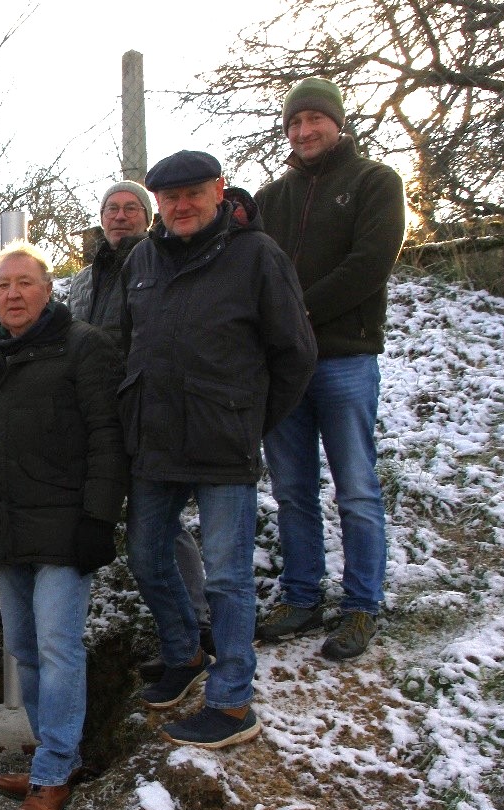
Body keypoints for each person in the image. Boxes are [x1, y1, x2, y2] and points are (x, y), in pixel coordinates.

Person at [120, 151, 315, 749]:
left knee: (229, 578)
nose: (181, 206)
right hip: (155, 441)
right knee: (148, 555)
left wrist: (248, 419)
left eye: (193, 194)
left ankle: (233, 705)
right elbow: (130, 341)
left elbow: (295, 353)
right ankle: (184, 655)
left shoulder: (256, 256)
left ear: (218, 192)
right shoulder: (143, 259)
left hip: (222, 444)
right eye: (169, 198)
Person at [0, 241, 128, 810]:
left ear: (48, 290)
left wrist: (99, 518)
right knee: (24, 647)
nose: (14, 294)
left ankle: (51, 774)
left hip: (67, 528)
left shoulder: (85, 347)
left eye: (26, 283)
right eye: (4, 286)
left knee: (57, 646)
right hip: (8, 529)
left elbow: (107, 437)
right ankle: (61, 754)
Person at [253, 78, 406, 660]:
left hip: (344, 358)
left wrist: (296, 313)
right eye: (294, 123)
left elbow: (370, 263)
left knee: (358, 489)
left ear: (336, 123)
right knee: (292, 491)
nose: (304, 131)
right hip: (285, 369)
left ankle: (362, 606)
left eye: (314, 119)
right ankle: (301, 595)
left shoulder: (375, 182)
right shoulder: (274, 195)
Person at [67, 180, 213, 680]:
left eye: (132, 208)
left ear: (148, 217)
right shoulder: (83, 278)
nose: (121, 215)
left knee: (159, 525)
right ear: (101, 216)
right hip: (91, 415)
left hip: (143, 411)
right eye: (113, 207)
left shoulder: (157, 264)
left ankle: (197, 618)